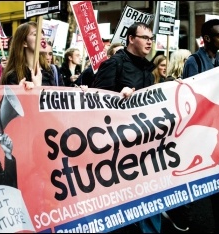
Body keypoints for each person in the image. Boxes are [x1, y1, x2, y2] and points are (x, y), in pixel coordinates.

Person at [92, 22, 158, 232]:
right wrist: (121, 99)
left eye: (151, 38)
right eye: (145, 37)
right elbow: (96, 103)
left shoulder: (148, 67)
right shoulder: (115, 64)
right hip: (119, 148)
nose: (150, 42)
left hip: (145, 142)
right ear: (131, 39)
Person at [182, 19, 219, 233]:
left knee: (216, 175)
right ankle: (183, 220)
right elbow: (190, 94)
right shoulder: (194, 61)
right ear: (206, 39)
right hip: (199, 130)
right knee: (192, 176)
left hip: (214, 127)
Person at [0, 22, 55, 88]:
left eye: (42, 34)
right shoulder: (13, 75)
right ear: (24, 42)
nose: (42, 37)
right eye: (36, 34)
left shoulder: (49, 71)